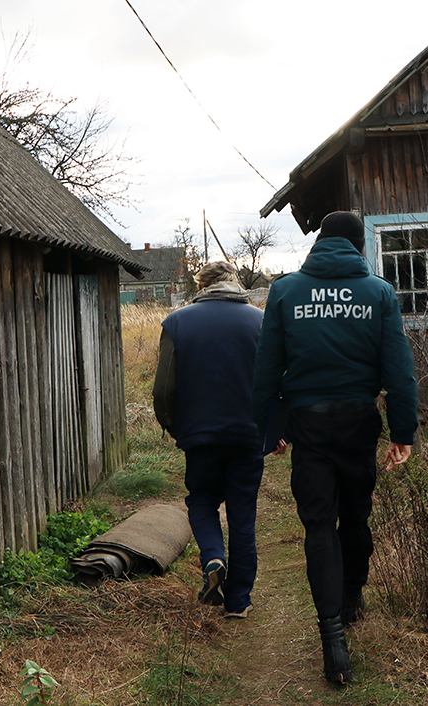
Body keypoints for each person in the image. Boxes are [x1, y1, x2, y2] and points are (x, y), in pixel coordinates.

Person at [251, 211, 418, 685]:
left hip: (309, 426)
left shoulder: (284, 292)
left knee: (319, 525)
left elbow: (266, 372)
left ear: (320, 241)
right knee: (356, 516)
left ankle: (332, 641)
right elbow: (399, 372)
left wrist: (264, 431)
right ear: (358, 245)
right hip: (358, 422)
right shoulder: (379, 293)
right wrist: (403, 432)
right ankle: (351, 600)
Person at [153, 261, 265, 619]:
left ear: (201, 285)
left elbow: (163, 388)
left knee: (202, 501)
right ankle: (238, 602)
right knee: (243, 516)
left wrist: (173, 426)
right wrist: (275, 429)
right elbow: (276, 380)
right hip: (248, 435)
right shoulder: (260, 321)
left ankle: (214, 556)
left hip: (198, 436)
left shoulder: (177, 323)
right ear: (234, 283)